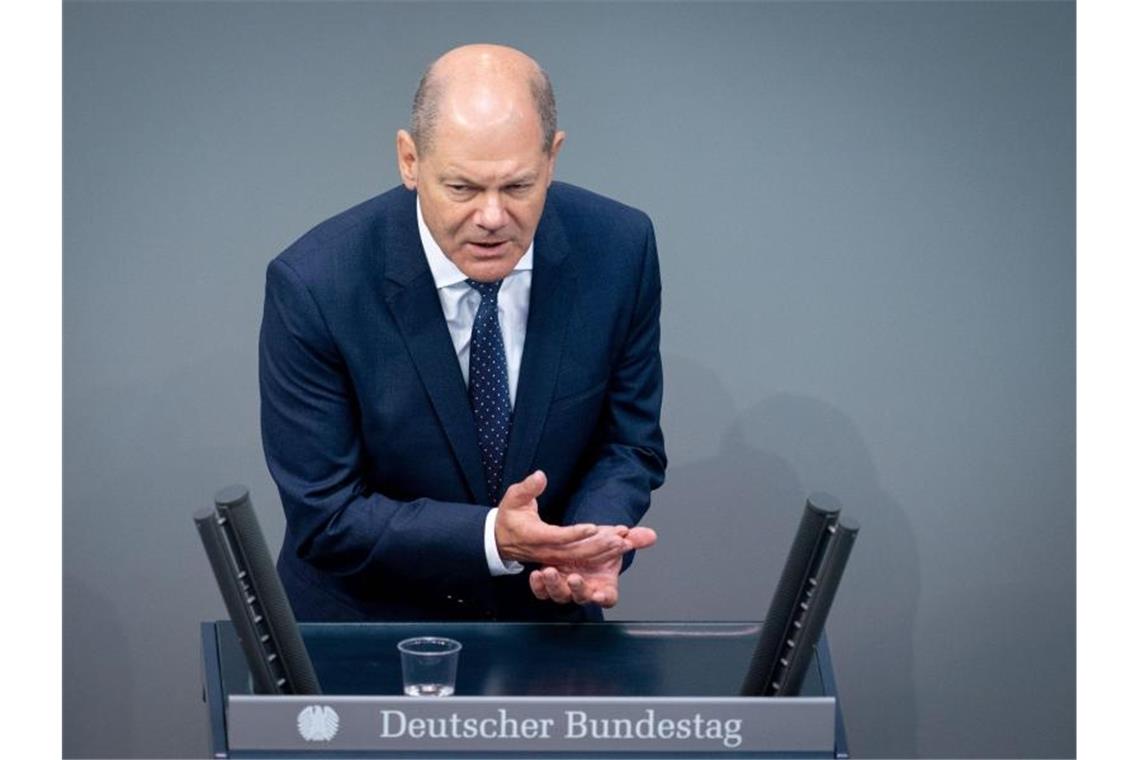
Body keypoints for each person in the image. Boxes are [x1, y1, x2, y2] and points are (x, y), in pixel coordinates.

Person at [259, 44, 665, 622]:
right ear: (409, 159)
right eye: (462, 189)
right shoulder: (317, 284)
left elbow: (630, 442)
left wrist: (584, 541)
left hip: (544, 623)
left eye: (519, 187)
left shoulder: (619, 249)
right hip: (366, 629)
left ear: (552, 158)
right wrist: (495, 538)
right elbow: (327, 515)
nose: (493, 217)